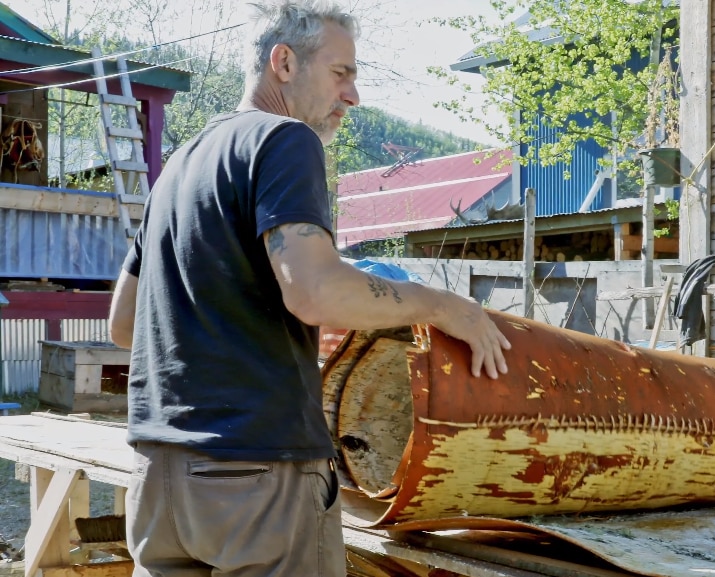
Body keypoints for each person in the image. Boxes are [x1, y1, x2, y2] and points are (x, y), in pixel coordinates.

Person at [107, 2, 511, 575]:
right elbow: (313, 292)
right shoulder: (284, 140)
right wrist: (445, 308)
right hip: (256, 478)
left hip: (157, 478)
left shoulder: (177, 166)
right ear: (285, 62)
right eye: (341, 72)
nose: (353, 95)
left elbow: (124, 326)